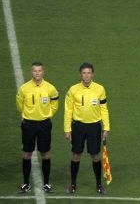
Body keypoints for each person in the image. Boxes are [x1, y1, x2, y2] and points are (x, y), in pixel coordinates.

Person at [64, 63, 110, 195]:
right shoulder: (73, 90)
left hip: (94, 127)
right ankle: (73, 184)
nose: (86, 75)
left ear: (93, 74)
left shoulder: (100, 89)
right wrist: (67, 129)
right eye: (84, 73)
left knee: (95, 156)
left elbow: (104, 109)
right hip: (77, 127)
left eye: (89, 73)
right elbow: (68, 110)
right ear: (80, 74)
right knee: (76, 155)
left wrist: (106, 128)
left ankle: (99, 184)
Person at [15, 62, 59, 194]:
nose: (37, 73)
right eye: (35, 71)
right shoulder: (24, 88)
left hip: (44, 124)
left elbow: (55, 104)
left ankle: (46, 184)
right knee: (27, 153)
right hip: (28, 124)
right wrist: (28, 114)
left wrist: (48, 114)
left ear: (43, 72)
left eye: (39, 70)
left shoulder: (50, 88)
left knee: (45, 153)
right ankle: (26, 183)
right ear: (31, 72)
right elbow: (19, 105)